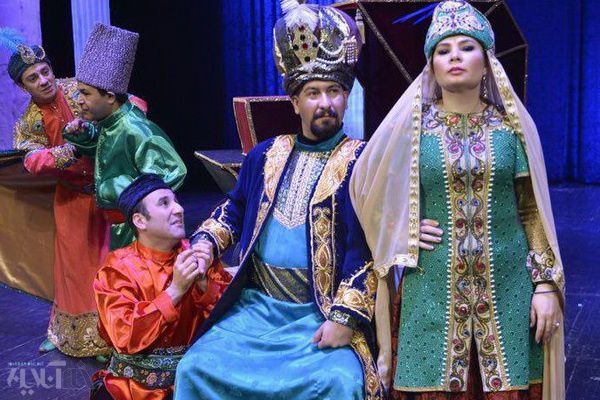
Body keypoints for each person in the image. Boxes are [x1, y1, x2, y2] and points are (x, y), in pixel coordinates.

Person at [350, 1, 565, 399]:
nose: (454, 57)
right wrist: (401, 229)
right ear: (431, 66)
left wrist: (546, 286)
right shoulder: (412, 133)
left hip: (508, 290)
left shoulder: (511, 129)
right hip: (430, 292)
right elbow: (368, 190)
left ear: (487, 62)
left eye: (466, 47)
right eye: (443, 50)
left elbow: (531, 210)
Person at [175, 2, 383, 399]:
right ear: (295, 102)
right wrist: (205, 244)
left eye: (334, 91)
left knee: (341, 382)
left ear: (346, 98)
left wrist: (345, 317)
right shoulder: (266, 154)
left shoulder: (363, 160)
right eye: (313, 93)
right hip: (258, 308)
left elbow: (371, 246)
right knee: (194, 368)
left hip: (320, 311)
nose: (325, 103)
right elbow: (234, 209)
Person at [2, 32, 110, 357]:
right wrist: (70, 151)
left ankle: (111, 333)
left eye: (45, 71)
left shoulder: (78, 88)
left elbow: (119, 103)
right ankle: (69, 332)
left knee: (110, 264)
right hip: (72, 198)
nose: (43, 80)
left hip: (108, 191)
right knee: (73, 271)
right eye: (33, 78)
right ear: (23, 86)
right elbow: (32, 161)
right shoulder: (28, 123)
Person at [91, 173, 230, 400]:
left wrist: (205, 285)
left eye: (176, 201)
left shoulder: (199, 259)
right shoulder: (118, 268)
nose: (179, 209)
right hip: (130, 388)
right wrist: (175, 291)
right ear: (140, 221)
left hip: (191, 386)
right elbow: (124, 335)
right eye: (165, 203)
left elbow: (231, 323)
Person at [63, 23, 187, 250]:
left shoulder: (136, 129)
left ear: (110, 97)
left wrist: (120, 188)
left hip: (140, 232)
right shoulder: (110, 124)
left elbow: (172, 171)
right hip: (122, 228)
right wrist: (84, 136)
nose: (79, 100)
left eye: (85, 93)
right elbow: (107, 150)